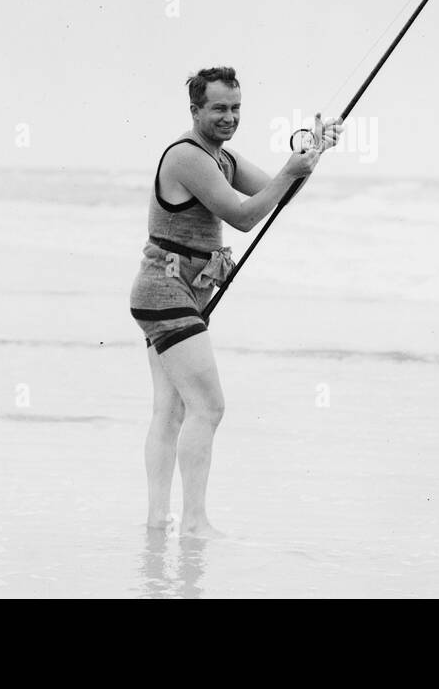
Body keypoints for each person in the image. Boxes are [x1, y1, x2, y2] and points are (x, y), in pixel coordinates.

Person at [129, 66, 343, 538]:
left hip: (175, 291)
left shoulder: (221, 157)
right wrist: (291, 168)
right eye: (219, 108)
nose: (229, 117)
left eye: (236, 108)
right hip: (166, 291)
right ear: (195, 110)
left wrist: (313, 152)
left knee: (171, 409)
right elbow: (245, 216)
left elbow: (278, 192)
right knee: (209, 407)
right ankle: (194, 522)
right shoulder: (187, 157)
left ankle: (157, 521)